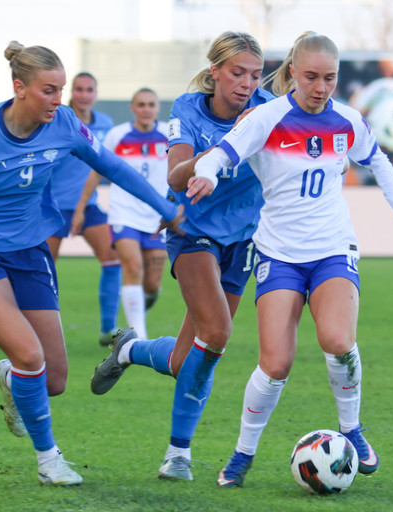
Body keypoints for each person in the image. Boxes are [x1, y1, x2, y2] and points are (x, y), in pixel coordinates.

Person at [0, 41, 183, 487]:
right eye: (48, 90)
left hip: (29, 250)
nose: (59, 100)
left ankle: (9, 374)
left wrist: (167, 209)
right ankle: (49, 460)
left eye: (61, 89)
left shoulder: (66, 124)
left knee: (53, 379)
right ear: (19, 88)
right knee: (30, 353)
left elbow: (112, 167)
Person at [188, 31, 393, 487]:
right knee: (275, 364)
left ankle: (351, 429)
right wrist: (207, 174)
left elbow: (378, 160)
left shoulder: (348, 120)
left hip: (333, 247)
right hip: (279, 253)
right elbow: (219, 154)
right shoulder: (267, 117)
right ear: (293, 71)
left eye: (329, 78)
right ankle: (242, 453)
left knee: (337, 340)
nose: (320, 87)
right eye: (311, 76)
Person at [90, 31, 275, 482]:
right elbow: (175, 176)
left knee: (184, 359)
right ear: (215, 71)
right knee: (217, 333)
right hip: (192, 231)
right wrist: (228, 146)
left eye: (255, 75)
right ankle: (178, 455)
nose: (247, 83)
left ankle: (129, 349)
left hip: (245, 238)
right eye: (237, 73)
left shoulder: (269, 107)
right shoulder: (188, 108)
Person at [74, 87, 169, 339]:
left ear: (157, 108)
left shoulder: (169, 134)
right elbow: (98, 170)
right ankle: (139, 339)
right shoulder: (117, 135)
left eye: (151, 104)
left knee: (152, 284)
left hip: (158, 217)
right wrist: (81, 207)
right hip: (124, 213)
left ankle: (136, 317)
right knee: (133, 267)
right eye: (141, 104)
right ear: (132, 108)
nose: (146, 109)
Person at [47, 72, 122, 348]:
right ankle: (41, 329)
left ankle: (108, 329)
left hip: (88, 205)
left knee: (112, 260)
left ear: (95, 93)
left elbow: (107, 165)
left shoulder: (105, 124)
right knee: (44, 272)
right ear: (71, 92)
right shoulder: (57, 119)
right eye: (79, 89)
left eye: (89, 89)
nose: (84, 94)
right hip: (53, 207)